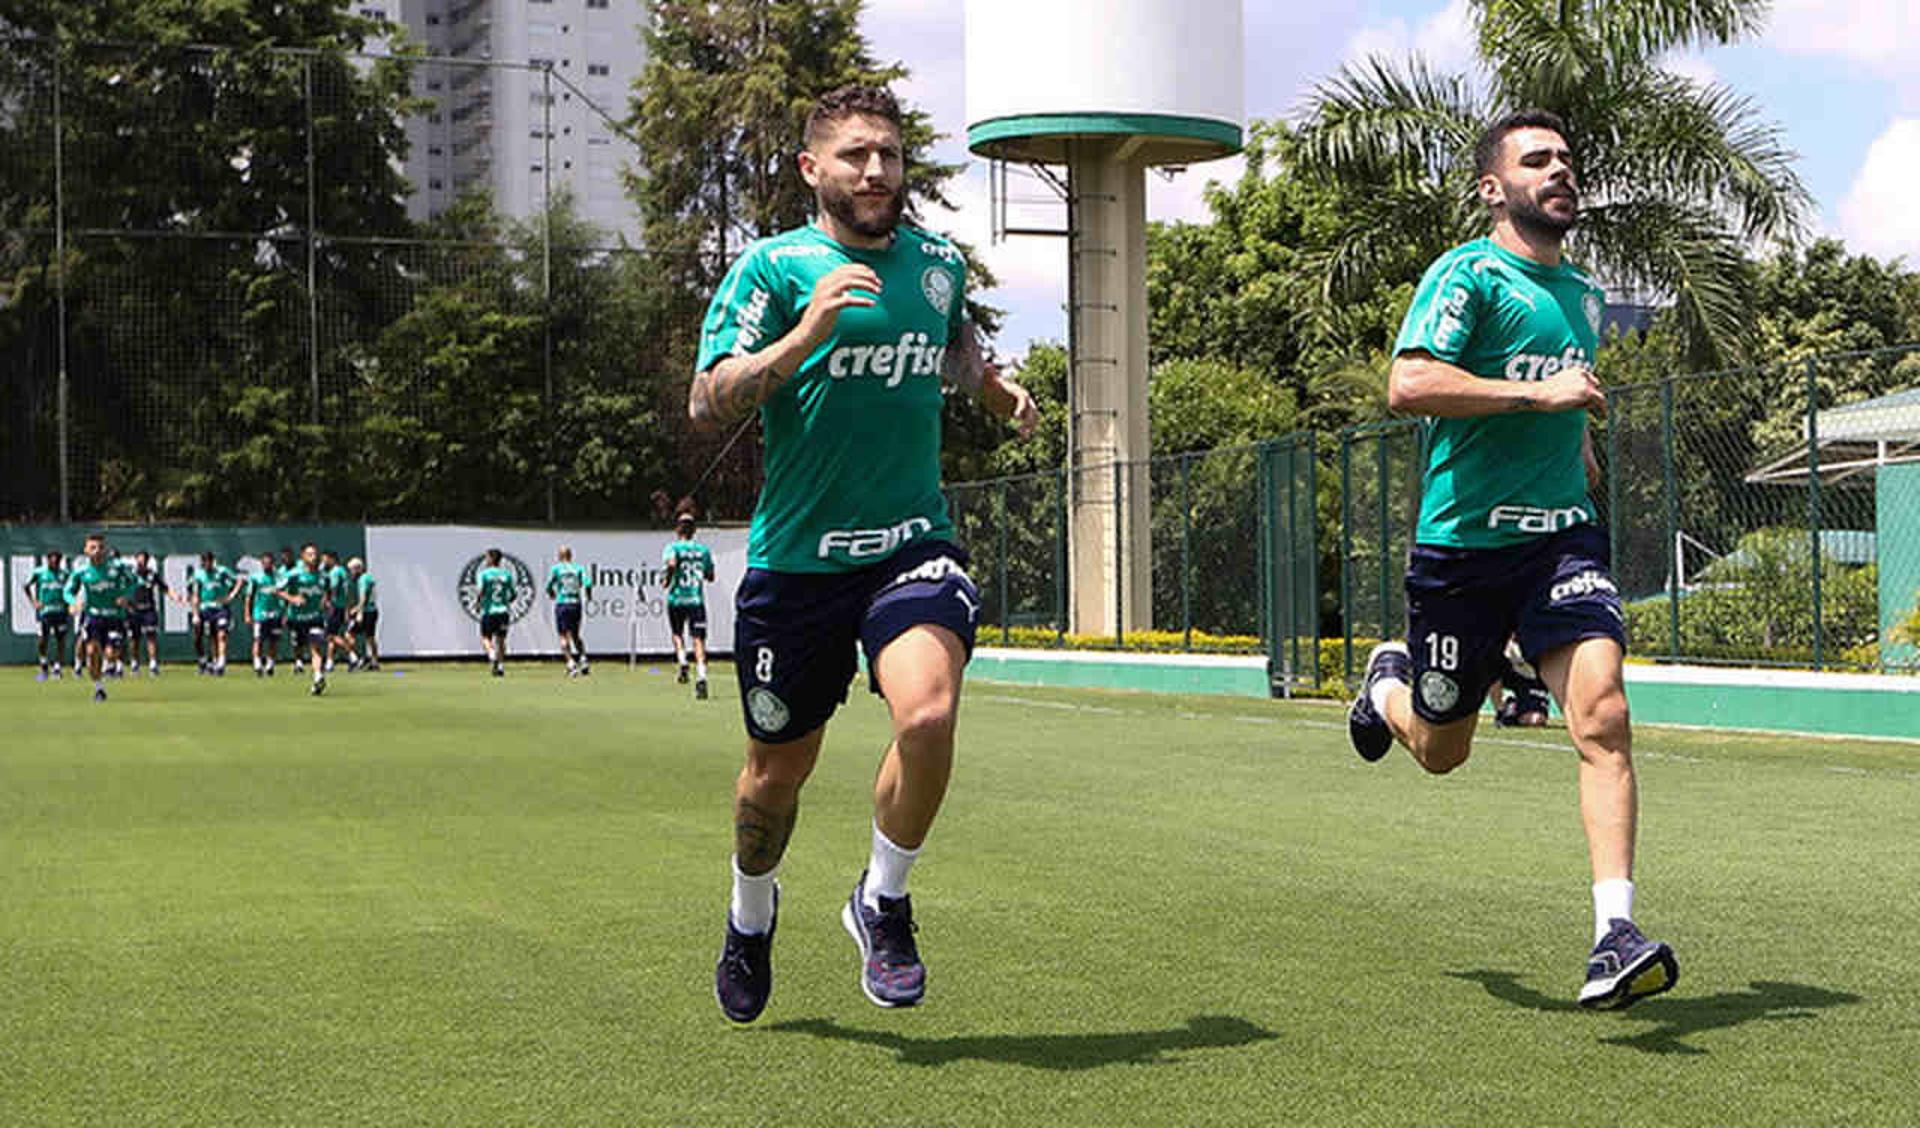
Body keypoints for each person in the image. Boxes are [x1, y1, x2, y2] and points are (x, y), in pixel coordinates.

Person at [691, 85, 1037, 1024]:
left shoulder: (936, 263)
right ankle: (750, 912)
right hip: (796, 564)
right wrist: (805, 336)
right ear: (813, 169)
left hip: (909, 545)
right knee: (776, 773)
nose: (876, 170)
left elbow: (956, 344)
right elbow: (708, 398)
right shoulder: (771, 269)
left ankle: (882, 900)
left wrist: (994, 389)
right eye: (854, 155)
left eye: (887, 152)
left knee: (927, 717)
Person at [1344, 109, 1677, 1010]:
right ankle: (1386, 685)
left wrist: (1577, 445)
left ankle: (1615, 933)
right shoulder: (1469, 274)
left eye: (1568, 159)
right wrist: (1539, 397)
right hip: (1461, 553)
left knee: (1602, 713)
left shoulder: (1587, 297)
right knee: (1441, 751)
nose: (1561, 170)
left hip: (1561, 540)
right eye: (1538, 160)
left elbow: (1564, 404)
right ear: (1495, 187)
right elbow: (1409, 383)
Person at [65, 534, 137, 703]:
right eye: (93, 547)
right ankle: (98, 687)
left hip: (114, 616)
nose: (97, 551)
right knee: (90, 652)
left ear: (105, 550)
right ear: (86, 550)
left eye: (100, 547)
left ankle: (108, 667)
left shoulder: (117, 567)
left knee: (111, 653)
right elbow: (68, 590)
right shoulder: (82, 571)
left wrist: (126, 596)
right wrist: (73, 602)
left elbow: (134, 581)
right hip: (94, 616)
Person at [662, 510, 716, 699]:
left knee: (677, 633)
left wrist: (667, 579)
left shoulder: (672, 547)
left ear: (678, 529)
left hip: (676, 599)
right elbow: (711, 576)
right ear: (694, 530)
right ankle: (701, 678)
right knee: (698, 639)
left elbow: (670, 564)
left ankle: (683, 660)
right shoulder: (703, 551)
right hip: (696, 600)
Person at [276, 543, 332, 695]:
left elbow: (328, 590)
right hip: (297, 619)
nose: (313, 557)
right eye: (310, 554)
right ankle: (301, 665)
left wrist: (326, 601)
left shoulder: (323, 576)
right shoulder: (294, 575)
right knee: (299, 647)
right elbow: (278, 590)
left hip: (315, 618)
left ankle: (318, 676)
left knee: (316, 648)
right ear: (303, 557)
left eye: (315, 554)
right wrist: (292, 598)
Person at [185, 550, 242, 676]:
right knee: (203, 636)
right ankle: (205, 660)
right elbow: (194, 594)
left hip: (220, 607)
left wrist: (231, 595)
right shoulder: (198, 575)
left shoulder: (221, 572)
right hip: (205, 608)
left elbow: (239, 580)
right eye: (204, 562)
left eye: (209, 561)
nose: (207, 564)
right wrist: (195, 613)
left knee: (221, 634)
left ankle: (221, 662)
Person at [25, 550, 73, 681]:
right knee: (42, 639)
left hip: (61, 612)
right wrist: (34, 601)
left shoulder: (65, 575)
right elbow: (26, 586)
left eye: (57, 560)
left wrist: (70, 603)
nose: (54, 562)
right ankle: (43, 665)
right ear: (47, 560)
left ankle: (57, 667)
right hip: (44, 612)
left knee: (60, 639)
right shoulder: (39, 572)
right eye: (52, 559)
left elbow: (72, 589)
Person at [546, 545, 593, 677]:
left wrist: (552, 594)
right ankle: (583, 660)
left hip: (562, 604)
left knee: (563, 635)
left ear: (560, 556)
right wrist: (588, 596)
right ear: (570, 556)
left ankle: (571, 663)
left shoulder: (556, 569)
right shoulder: (578, 568)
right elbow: (588, 583)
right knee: (576, 635)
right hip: (575, 604)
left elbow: (549, 586)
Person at [474, 548, 516, 677]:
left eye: (487, 558)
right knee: (501, 639)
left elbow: (480, 590)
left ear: (491, 559)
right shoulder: (507, 575)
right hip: (503, 611)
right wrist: (506, 602)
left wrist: (478, 603)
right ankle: (501, 666)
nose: (486, 560)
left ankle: (492, 654)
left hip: (489, 611)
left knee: (486, 637)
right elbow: (513, 594)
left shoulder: (484, 574)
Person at [126, 550, 168, 677]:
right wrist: (127, 605)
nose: (141, 562)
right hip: (134, 610)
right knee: (134, 639)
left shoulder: (152, 574)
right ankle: (134, 664)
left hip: (149, 609)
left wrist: (174, 596)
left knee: (151, 636)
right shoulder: (130, 575)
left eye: (143, 560)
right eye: (139, 559)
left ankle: (153, 664)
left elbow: (164, 587)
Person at [245, 552, 285, 677]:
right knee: (258, 640)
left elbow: (284, 594)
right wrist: (247, 613)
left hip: (275, 613)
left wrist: (284, 613)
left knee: (273, 641)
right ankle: (257, 664)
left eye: (269, 563)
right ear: (261, 564)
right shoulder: (256, 577)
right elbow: (249, 597)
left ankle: (270, 664)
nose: (267, 565)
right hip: (259, 614)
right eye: (265, 563)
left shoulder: (278, 577)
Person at [321, 549, 354, 673]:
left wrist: (328, 602)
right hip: (341, 606)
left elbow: (333, 588)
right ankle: (329, 662)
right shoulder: (342, 571)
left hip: (335, 607)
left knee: (330, 635)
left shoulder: (334, 572)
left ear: (331, 559)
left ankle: (352, 656)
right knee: (332, 635)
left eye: (325, 559)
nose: (324, 562)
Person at [347, 556, 380, 671]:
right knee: (370, 637)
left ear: (358, 569)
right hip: (373, 611)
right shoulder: (368, 577)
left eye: (352, 569)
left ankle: (355, 659)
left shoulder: (362, 580)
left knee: (349, 634)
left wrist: (358, 611)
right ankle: (374, 661)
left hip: (366, 612)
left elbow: (363, 597)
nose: (351, 572)